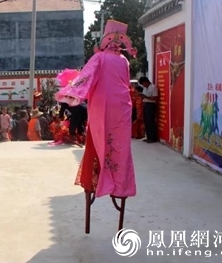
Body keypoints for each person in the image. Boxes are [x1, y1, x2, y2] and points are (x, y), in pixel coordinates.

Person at [56, 19, 137, 203]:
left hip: (104, 106)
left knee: (101, 142)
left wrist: (71, 93)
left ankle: (103, 181)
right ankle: (120, 185)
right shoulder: (123, 60)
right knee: (120, 147)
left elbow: (85, 77)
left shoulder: (99, 58)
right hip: (123, 107)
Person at [139, 76, 158, 143]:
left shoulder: (153, 87)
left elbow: (155, 98)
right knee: (146, 121)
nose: (143, 85)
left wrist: (146, 97)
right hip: (146, 104)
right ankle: (148, 137)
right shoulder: (145, 88)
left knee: (151, 121)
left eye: (143, 84)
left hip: (151, 105)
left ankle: (153, 138)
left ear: (146, 82)